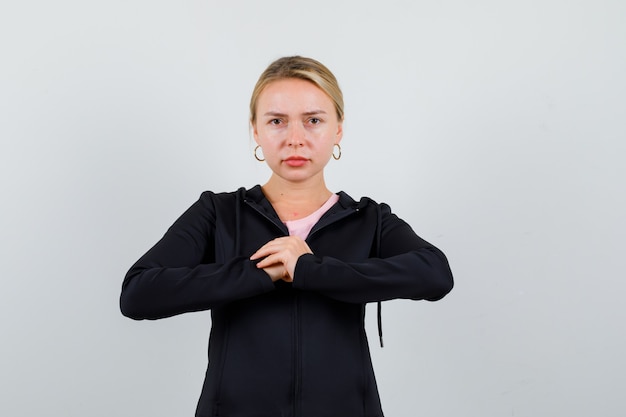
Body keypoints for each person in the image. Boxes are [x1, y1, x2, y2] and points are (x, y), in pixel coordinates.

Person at [120, 56, 453, 417]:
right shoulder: (219, 213)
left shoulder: (369, 219)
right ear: (256, 130)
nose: (295, 139)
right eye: (277, 121)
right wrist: (259, 273)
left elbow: (435, 274)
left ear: (338, 129)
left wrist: (310, 270)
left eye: (313, 121)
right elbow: (139, 293)